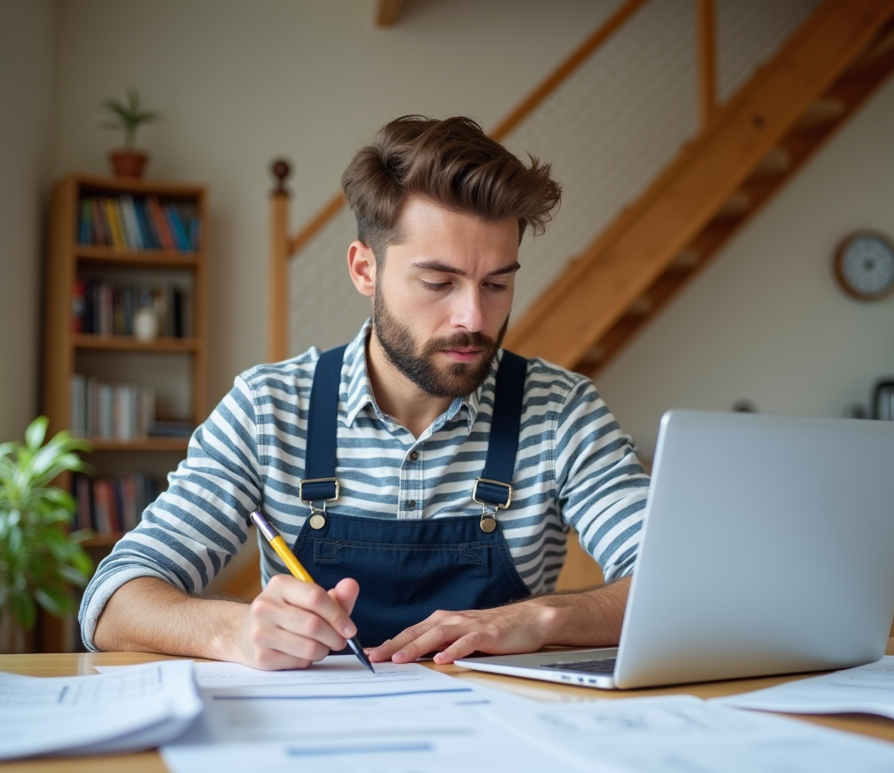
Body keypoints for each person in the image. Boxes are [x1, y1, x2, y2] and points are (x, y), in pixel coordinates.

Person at [80, 115, 649, 670]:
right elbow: (111, 601)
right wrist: (235, 630)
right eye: (438, 283)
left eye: (497, 283)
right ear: (364, 270)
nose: (474, 317)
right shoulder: (267, 409)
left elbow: (673, 582)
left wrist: (544, 618)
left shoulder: (561, 412)